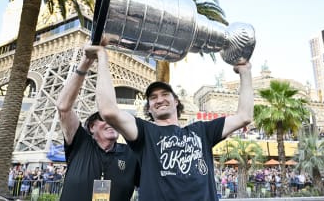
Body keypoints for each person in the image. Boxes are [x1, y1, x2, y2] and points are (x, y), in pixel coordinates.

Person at [85, 38, 254, 201]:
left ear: (176, 101)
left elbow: (244, 116)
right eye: (153, 98)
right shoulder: (144, 133)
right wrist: (102, 57)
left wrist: (245, 72)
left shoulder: (202, 131)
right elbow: (108, 110)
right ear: (149, 108)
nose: (159, 100)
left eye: (165, 95)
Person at [56, 42, 140, 201]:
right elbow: (63, 107)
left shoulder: (130, 154)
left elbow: (153, 183)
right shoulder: (80, 143)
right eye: (103, 119)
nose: (111, 121)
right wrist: (86, 62)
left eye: (113, 119)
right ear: (91, 127)